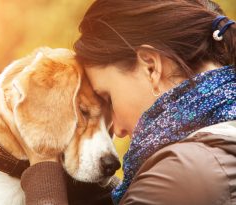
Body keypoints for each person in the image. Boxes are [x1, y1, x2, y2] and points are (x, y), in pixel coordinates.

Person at [21, 0, 236, 204]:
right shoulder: (219, 144)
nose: (119, 131)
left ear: (151, 67)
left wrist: (43, 165)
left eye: (108, 99)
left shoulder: (182, 176)